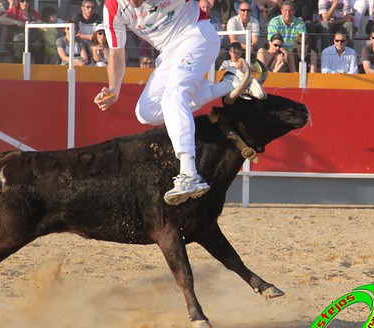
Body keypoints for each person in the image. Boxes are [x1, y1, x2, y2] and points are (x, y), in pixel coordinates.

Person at [94, 0, 265, 205]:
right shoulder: (113, 8)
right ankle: (232, 82)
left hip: (196, 35)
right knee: (146, 112)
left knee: (173, 96)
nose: (135, 2)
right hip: (169, 54)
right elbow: (116, 52)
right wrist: (114, 88)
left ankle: (189, 173)